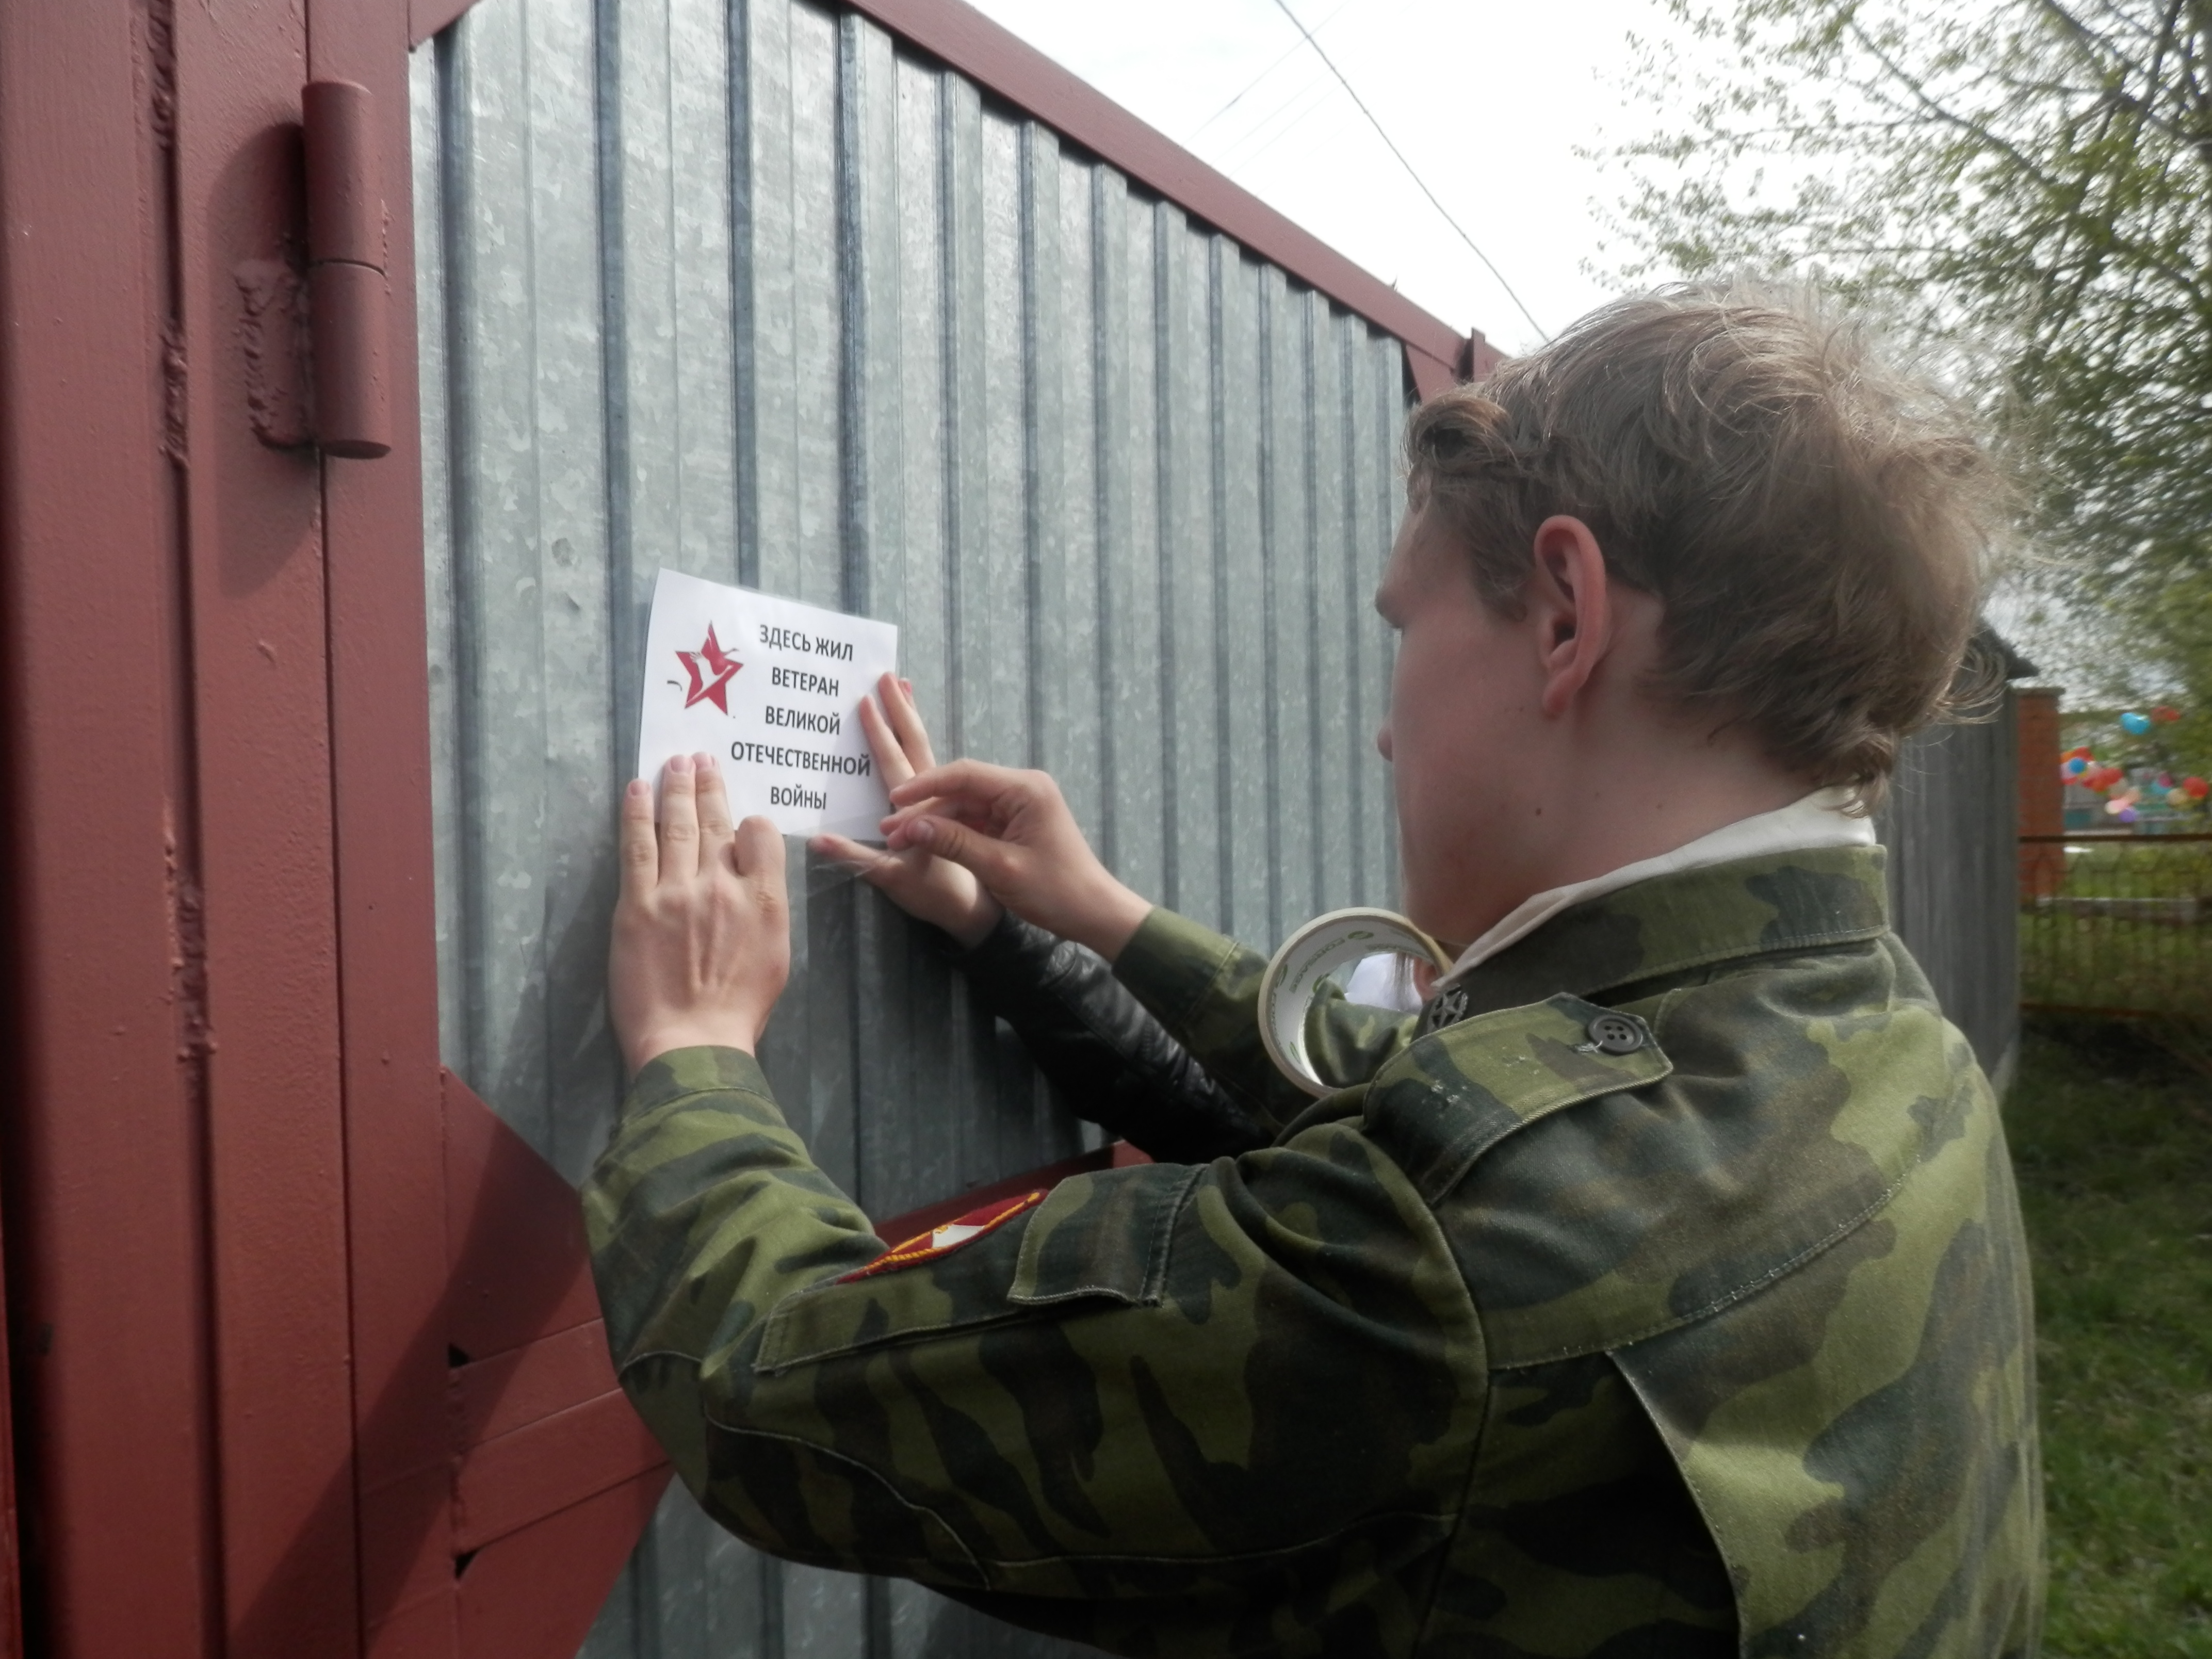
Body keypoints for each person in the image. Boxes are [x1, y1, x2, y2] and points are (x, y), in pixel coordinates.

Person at [588, 289, 2043, 1658]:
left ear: (1563, 615)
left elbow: (764, 1391)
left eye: (1407, 628)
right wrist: (1075, 921)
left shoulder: (1460, 1257)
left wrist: (692, 1048)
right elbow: (1420, 1096)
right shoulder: (1882, 1034)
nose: (1387, 730)